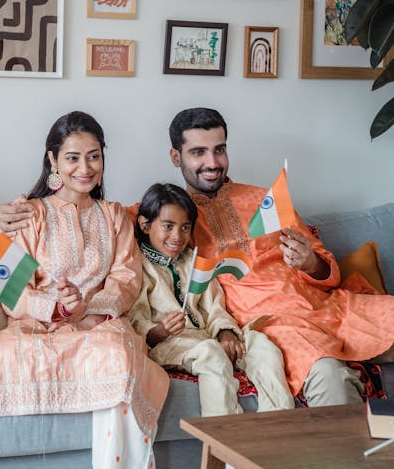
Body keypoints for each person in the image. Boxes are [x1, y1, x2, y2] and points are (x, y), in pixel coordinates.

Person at [0, 111, 169, 469]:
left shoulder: (115, 215)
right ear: (52, 161)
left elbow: (127, 279)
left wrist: (86, 307)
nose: (85, 169)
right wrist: (55, 307)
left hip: (98, 325)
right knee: (16, 351)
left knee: (119, 359)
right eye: (73, 158)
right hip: (41, 327)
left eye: (95, 157)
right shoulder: (28, 213)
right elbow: (3, 284)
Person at [165, 107, 394, 406]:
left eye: (219, 150)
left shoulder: (265, 198)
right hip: (275, 325)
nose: (212, 163)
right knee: (329, 376)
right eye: (198, 152)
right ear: (175, 157)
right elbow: (115, 227)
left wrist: (311, 262)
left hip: (330, 308)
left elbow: (326, 267)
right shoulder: (170, 218)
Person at [128, 182, 294, 469]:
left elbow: (215, 304)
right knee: (210, 354)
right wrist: (157, 331)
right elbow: (134, 319)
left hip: (206, 335)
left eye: (185, 227)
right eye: (168, 226)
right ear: (146, 225)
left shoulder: (195, 261)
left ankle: (275, 445)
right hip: (170, 342)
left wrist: (227, 331)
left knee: (262, 344)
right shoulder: (135, 264)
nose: (178, 235)